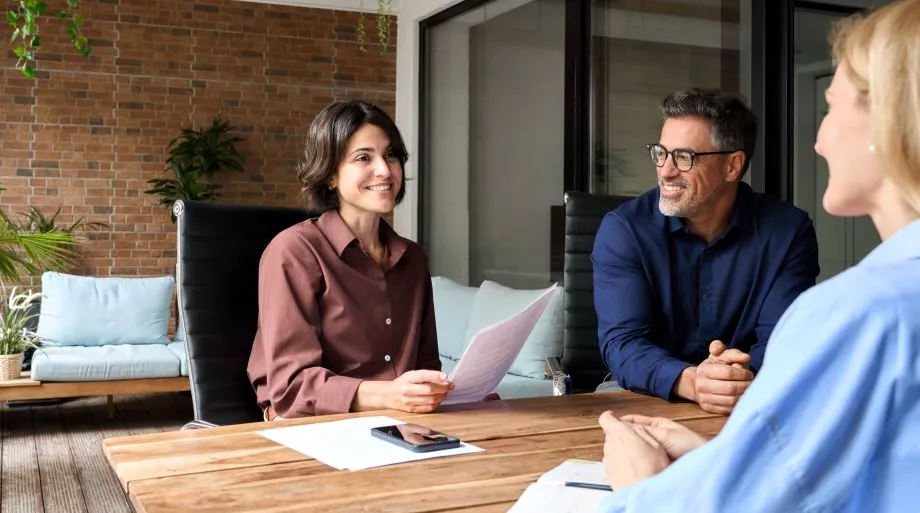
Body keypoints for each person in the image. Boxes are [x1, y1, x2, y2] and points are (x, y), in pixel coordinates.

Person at [598, 1, 920, 510]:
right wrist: (703, 408)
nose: (817, 141)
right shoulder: (624, 229)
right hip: (692, 415)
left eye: (831, 108)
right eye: (661, 154)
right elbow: (835, 477)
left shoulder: (857, 310)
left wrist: (642, 489)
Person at [592, 88, 820, 414]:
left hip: (749, 393)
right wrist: (694, 381)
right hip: (645, 393)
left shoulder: (787, 232)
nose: (666, 170)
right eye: (660, 153)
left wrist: (734, 379)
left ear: (732, 166)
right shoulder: (625, 230)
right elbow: (623, 344)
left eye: (684, 157)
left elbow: (781, 340)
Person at [247, 100, 452, 420]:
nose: (384, 170)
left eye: (391, 155)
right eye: (363, 158)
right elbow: (291, 389)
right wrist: (388, 394)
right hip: (312, 425)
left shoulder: (412, 259)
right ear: (330, 175)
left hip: (401, 421)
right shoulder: (294, 252)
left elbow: (426, 363)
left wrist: (436, 389)